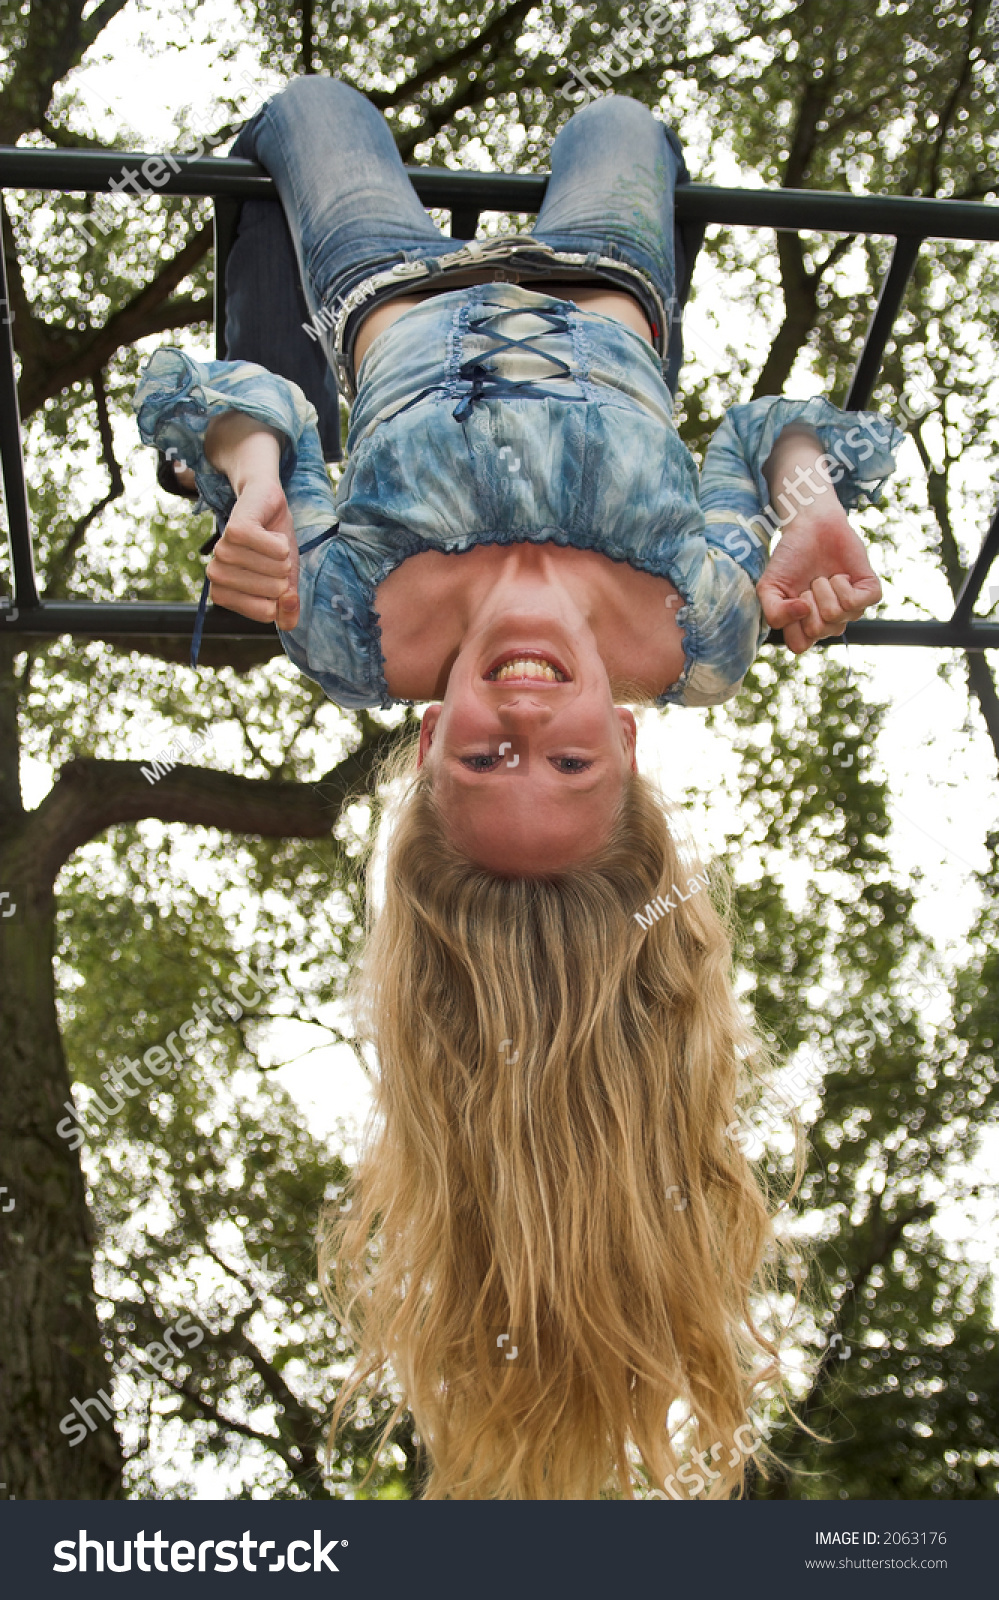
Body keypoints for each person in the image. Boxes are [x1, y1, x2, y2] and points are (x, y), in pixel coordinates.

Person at [134, 78, 899, 1498]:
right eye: (571, 758)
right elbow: (767, 437)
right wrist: (810, 502)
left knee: (306, 106)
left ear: (429, 752)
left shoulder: (352, 628)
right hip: (603, 282)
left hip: (389, 289)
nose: (531, 709)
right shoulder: (702, 635)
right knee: (621, 120)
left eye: (490, 755)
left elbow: (222, 398)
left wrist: (247, 483)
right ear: (632, 740)